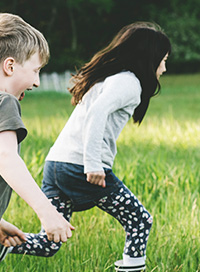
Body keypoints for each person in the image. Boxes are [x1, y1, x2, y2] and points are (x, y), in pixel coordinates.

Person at [9, 22, 171, 272]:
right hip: (80, 166)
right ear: (150, 58)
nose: (164, 68)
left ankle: (4, 245)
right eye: (163, 60)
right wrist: (94, 163)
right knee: (140, 221)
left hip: (57, 164)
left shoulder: (110, 79)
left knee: (47, 243)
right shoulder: (129, 82)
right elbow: (97, 113)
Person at [0, 12, 75, 262]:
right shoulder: (5, 102)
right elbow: (5, 156)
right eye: (35, 70)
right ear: (10, 66)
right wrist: (48, 213)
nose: (37, 82)